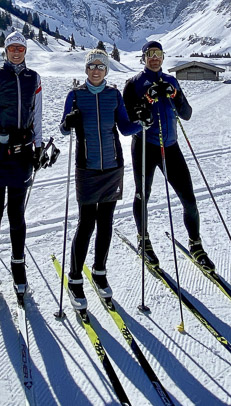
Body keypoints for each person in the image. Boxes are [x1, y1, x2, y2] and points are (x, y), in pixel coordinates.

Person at [59, 49, 141, 309]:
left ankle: (99, 272)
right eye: (92, 66)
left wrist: (143, 122)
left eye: (101, 66)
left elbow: (125, 127)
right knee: (86, 224)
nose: (96, 70)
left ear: (107, 70)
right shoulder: (75, 95)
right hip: (87, 167)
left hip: (113, 167)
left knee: (106, 222)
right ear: (86, 70)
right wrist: (68, 122)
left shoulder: (113, 95)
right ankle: (74, 279)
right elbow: (63, 129)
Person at [123, 40, 214, 271]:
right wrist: (146, 101)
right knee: (143, 194)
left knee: (189, 199)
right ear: (143, 58)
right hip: (144, 145)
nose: (154, 58)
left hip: (170, 146)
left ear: (163, 58)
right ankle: (143, 240)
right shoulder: (134, 84)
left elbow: (187, 114)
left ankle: (196, 244)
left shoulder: (172, 81)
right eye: (150, 54)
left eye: (158, 54)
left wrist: (175, 95)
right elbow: (128, 120)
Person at [0, 31, 43, 299]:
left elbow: (37, 115)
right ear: (5, 50)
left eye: (21, 48)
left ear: (26, 51)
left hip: (22, 154)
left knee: (17, 214)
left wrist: (37, 147)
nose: (16, 52)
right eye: (12, 48)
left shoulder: (33, 78)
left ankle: (18, 264)